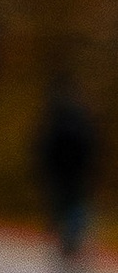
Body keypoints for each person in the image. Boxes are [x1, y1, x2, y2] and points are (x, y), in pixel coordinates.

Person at [37, 74, 101, 262]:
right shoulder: (82, 121)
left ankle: (65, 241)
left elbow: (45, 146)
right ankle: (73, 240)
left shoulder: (56, 120)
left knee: (62, 205)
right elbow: (92, 147)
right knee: (76, 205)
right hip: (78, 172)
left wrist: (45, 169)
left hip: (59, 172)